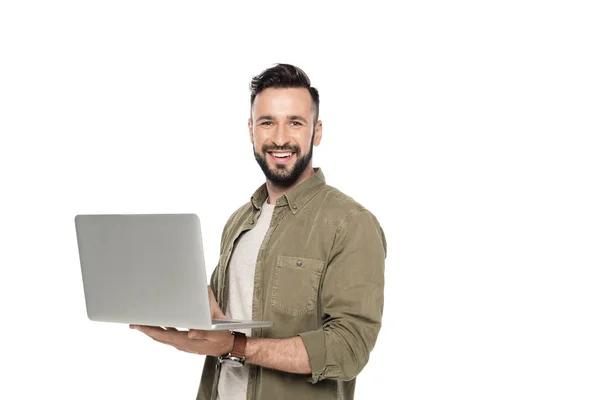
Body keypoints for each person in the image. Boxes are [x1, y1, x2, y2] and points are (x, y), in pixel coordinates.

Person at [131, 63, 387, 400]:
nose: (280, 138)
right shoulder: (239, 221)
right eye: (268, 123)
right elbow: (223, 328)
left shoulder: (351, 223)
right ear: (251, 129)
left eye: (295, 122)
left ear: (317, 131)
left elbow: (348, 348)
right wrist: (188, 314)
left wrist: (237, 345)